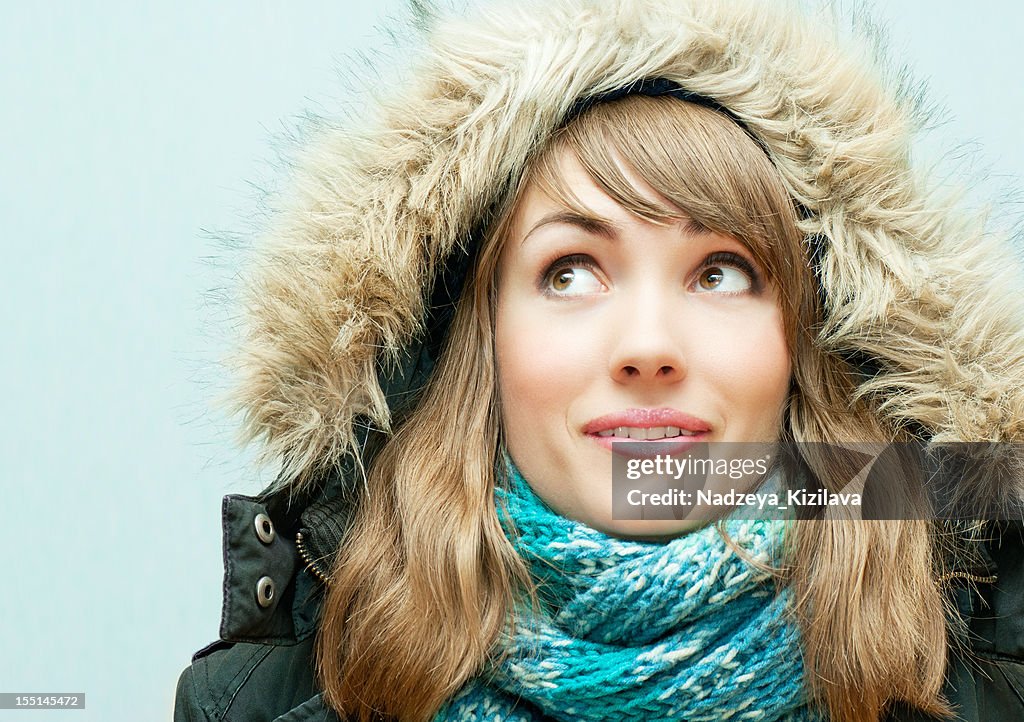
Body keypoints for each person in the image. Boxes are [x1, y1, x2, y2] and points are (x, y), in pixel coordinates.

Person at [174, 1, 1024, 720]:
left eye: (720, 272)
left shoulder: (994, 685)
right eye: (571, 272)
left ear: (807, 341)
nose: (647, 347)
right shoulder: (254, 700)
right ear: (484, 339)